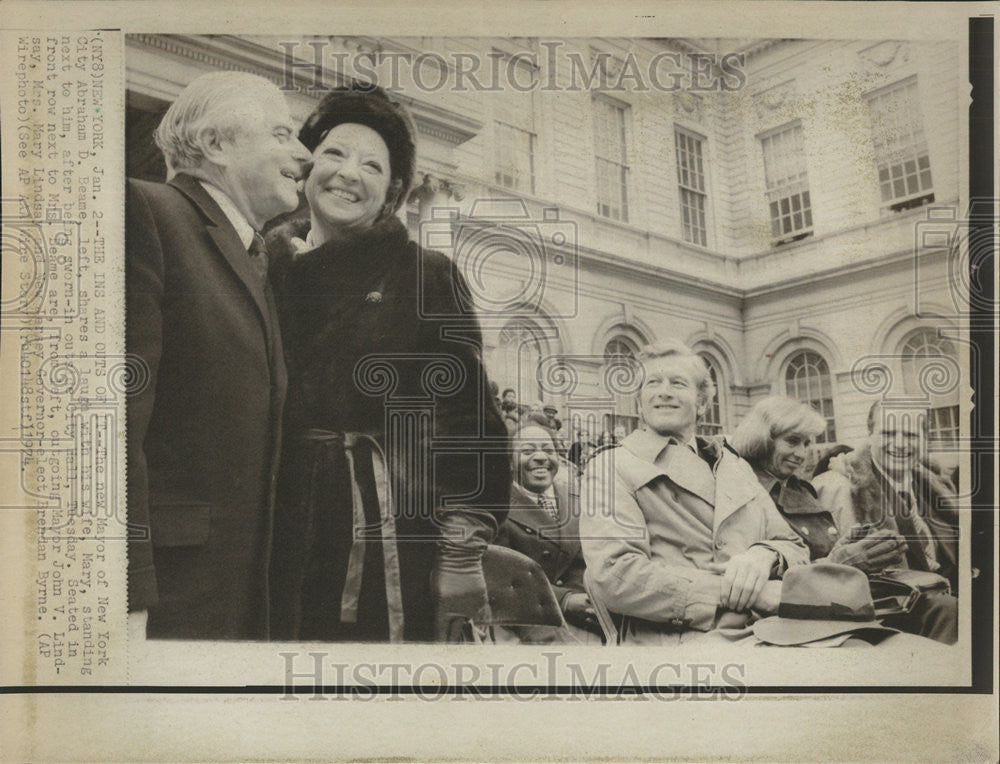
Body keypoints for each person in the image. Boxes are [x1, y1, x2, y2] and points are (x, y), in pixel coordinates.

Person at [267, 84, 509, 643]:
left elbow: (471, 424)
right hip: (277, 527)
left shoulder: (425, 273)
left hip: (389, 538)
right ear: (306, 167)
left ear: (392, 191)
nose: (348, 173)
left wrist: (461, 554)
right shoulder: (266, 267)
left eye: (371, 164)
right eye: (334, 153)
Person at [126, 71, 310, 639]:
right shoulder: (144, 211)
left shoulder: (256, 257)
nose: (303, 154)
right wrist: (122, 593)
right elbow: (106, 426)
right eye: (281, 133)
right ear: (216, 144)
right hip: (163, 607)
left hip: (235, 602)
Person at [580, 341, 810, 645]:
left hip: (766, 625)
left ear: (702, 403)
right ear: (639, 402)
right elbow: (615, 575)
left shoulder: (733, 464)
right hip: (677, 638)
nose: (664, 391)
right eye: (653, 383)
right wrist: (744, 593)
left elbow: (793, 545)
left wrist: (763, 556)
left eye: (678, 383)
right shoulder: (611, 466)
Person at [732, 396, 956, 643]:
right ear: (763, 438)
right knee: (945, 613)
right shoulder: (745, 489)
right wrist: (842, 561)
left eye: (807, 443)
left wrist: (844, 552)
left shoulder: (800, 489)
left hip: (836, 604)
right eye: (793, 441)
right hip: (804, 621)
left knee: (948, 610)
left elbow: (818, 554)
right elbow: (766, 580)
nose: (801, 454)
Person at [816, 401, 960, 593]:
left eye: (910, 434)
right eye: (888, 433)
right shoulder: (834, 488)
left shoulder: (937, 485)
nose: (899, 444)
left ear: (925, 438)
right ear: (869, 435)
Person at [497, 423, 600, 642]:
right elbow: (504, 581)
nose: (541, 457)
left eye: (548, 450)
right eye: (527, 451)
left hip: (593, 610)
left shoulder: (578, 496)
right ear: (509, 461)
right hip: (532, 619)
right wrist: (565, 600)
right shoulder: (498, 508)